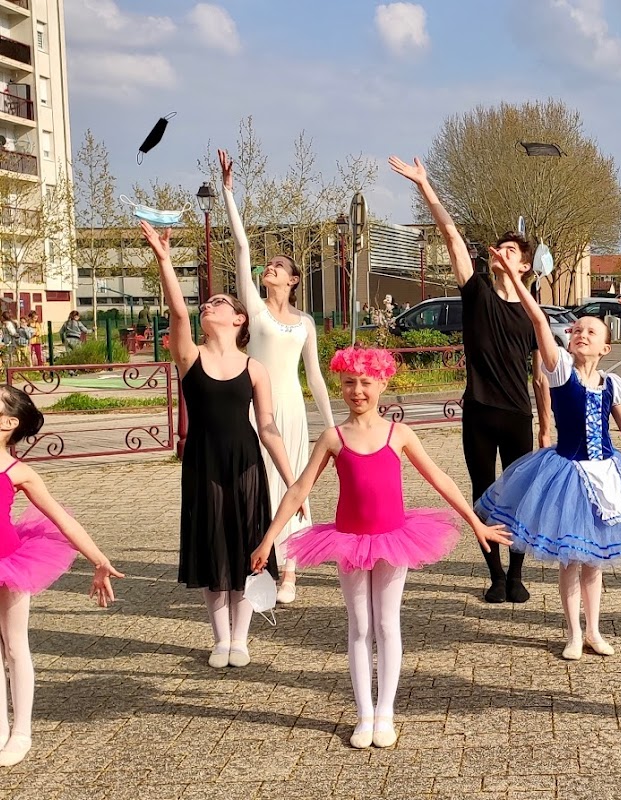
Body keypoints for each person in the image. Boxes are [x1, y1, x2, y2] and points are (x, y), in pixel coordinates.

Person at [251, 346, 511, 749]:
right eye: (349, 383)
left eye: (366, 383)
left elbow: (439, 478)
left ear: (383, 384)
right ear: (340, 385)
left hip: (393, 538)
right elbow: (299, 488)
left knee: (387, 624)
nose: (357, 391)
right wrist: (269, 538)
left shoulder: (399, 434)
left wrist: (474, 522)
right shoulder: (333, 438)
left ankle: (385, 713)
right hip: (349, 540)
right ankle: (364, 714)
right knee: (359, 627)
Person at [477, 249, 621, 659]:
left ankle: (595, 631)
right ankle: (571, 632)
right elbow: (537, 320)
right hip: (565, 472)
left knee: (595, 562)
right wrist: (516, 279)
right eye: (577, 330)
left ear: (605, 347)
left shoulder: (612, 385)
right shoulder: (560, 371)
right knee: (570, 558)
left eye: (590, 332)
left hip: (608, 473)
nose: (580, 334)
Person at [389, 155, 551, 604]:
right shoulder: (476, 290)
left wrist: (545, 422)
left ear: (524, 267)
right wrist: (426, 185)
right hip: (479, 410)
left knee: (518, 495)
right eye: (499, 248)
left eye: (513, 251)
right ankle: (496, 576)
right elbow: (451, 237)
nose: (503, 253)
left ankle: (518, 574)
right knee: (483, 494)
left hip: (517, 413)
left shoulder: (530, 311)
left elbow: (539, 374)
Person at [140, 220, 299, 670]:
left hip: (246, 461)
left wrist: (293, 481)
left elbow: (267, 427)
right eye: (207, 302)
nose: (210, 304)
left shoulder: (255, 369)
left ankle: (242, 638)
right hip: (203, 462)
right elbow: (176, 314)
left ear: (238, 319)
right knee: (212, 543)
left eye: (220, 302)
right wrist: (165, 261)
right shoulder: (189, 356)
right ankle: (222, 638)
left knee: (249, 545)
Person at [219, 149, 335, 605]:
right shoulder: (257, 309)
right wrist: (229, 192)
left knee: (295, 483)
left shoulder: (304, 322)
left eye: (278, 268)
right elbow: (243, 247)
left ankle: (291, 571)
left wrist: (330, 422)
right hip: (254, 409)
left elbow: (316, 377)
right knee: (259, 483)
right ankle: (259, 564)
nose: (269, 269)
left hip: (291, 410)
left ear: (292, 280)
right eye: (268, 267)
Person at [0, 384, 122, 765]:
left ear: (8, 422)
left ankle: (21, 732)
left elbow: (63, 520)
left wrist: (98, 559)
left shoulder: (19, 471)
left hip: (9, 561)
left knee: (15, 644)